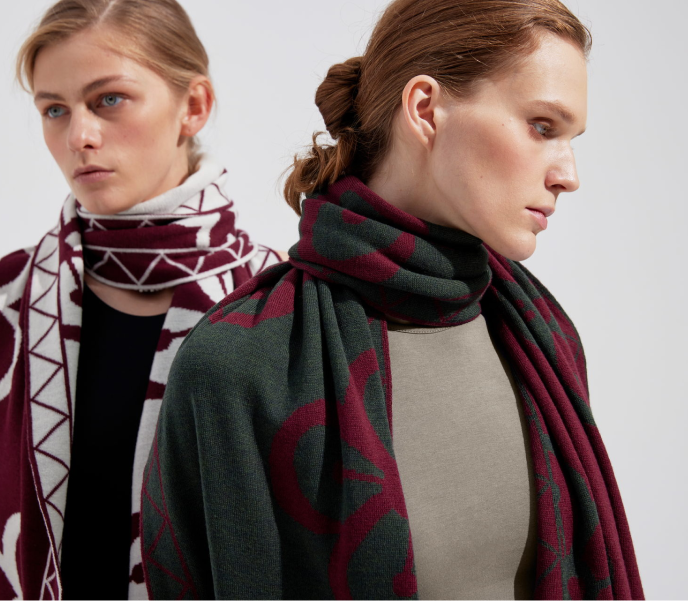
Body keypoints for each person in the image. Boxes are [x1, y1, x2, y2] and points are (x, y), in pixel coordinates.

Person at [140, 0, 645, 599]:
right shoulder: (238, 368)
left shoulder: (545, 337)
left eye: (571, 139)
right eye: (542, 127)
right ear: (425, 109)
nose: (569, 174)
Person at [0, 1, 283, 599]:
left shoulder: (279, 305)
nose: (80, 136)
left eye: (109, 99)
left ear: (194, 106)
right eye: (54, 109)